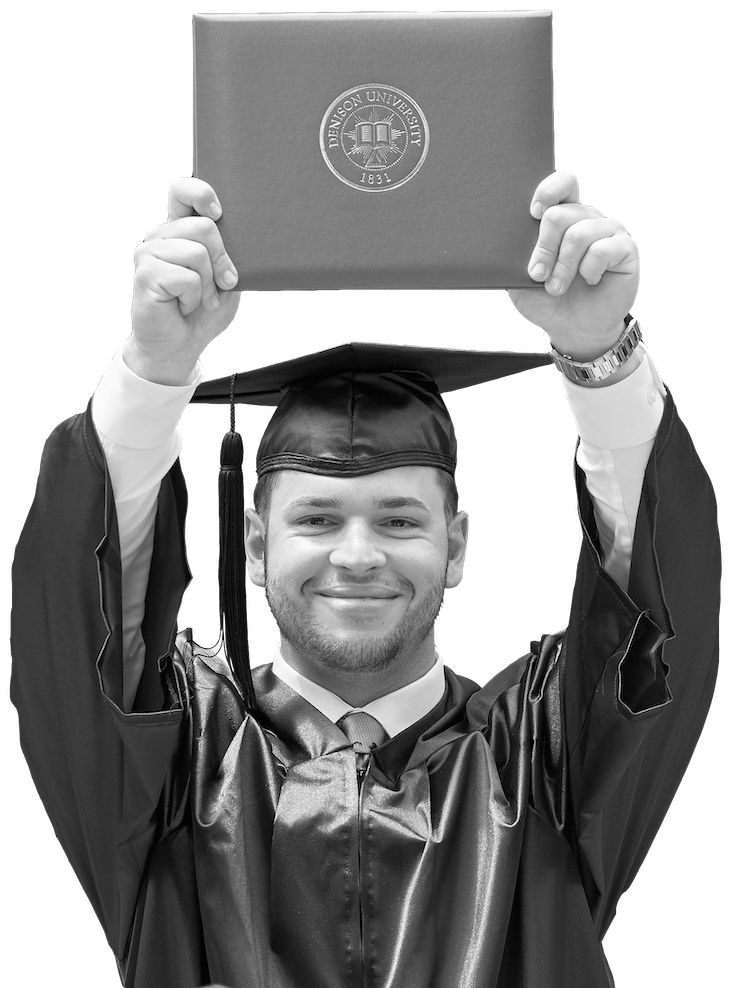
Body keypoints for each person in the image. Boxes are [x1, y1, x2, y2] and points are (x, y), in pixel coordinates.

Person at [9, 170, 721, 988]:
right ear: (252, 543)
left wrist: (602, 357)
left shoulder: (543, 759)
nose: (356, 556)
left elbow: (664, 611)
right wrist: (153, 368)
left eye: (399, 520)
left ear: (458, 544)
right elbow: (73, 615)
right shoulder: (177, 761)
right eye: (315, 519)